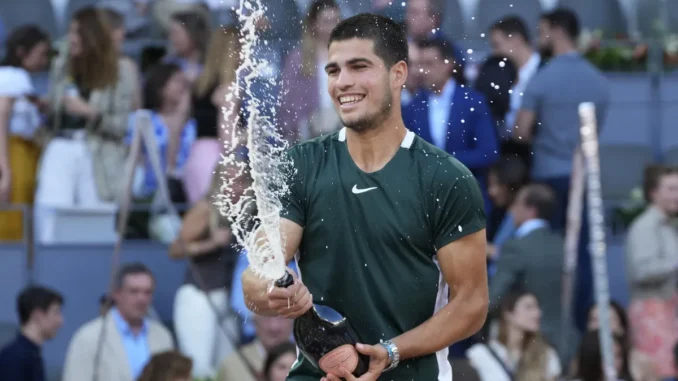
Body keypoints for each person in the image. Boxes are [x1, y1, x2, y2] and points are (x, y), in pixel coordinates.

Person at [242, 13, 489, 381]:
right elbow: (259, 274)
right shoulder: (301, 164)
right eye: (333, 70)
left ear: (398, 74)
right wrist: (270, 290)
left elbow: (471, 304)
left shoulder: (445, 178)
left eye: (359, 67)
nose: (343, 82)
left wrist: (391, 352)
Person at [62, 263, 174, 381]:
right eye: (134, 291)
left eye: (147, 292)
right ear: (116, 294)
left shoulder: (163, 336)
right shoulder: (90, 337)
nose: (141, 298)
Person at [0, 286, 64, 381]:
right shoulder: (15, 358)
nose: (61, 321)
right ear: (37, 315)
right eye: (56, 312)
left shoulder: (31, 355)